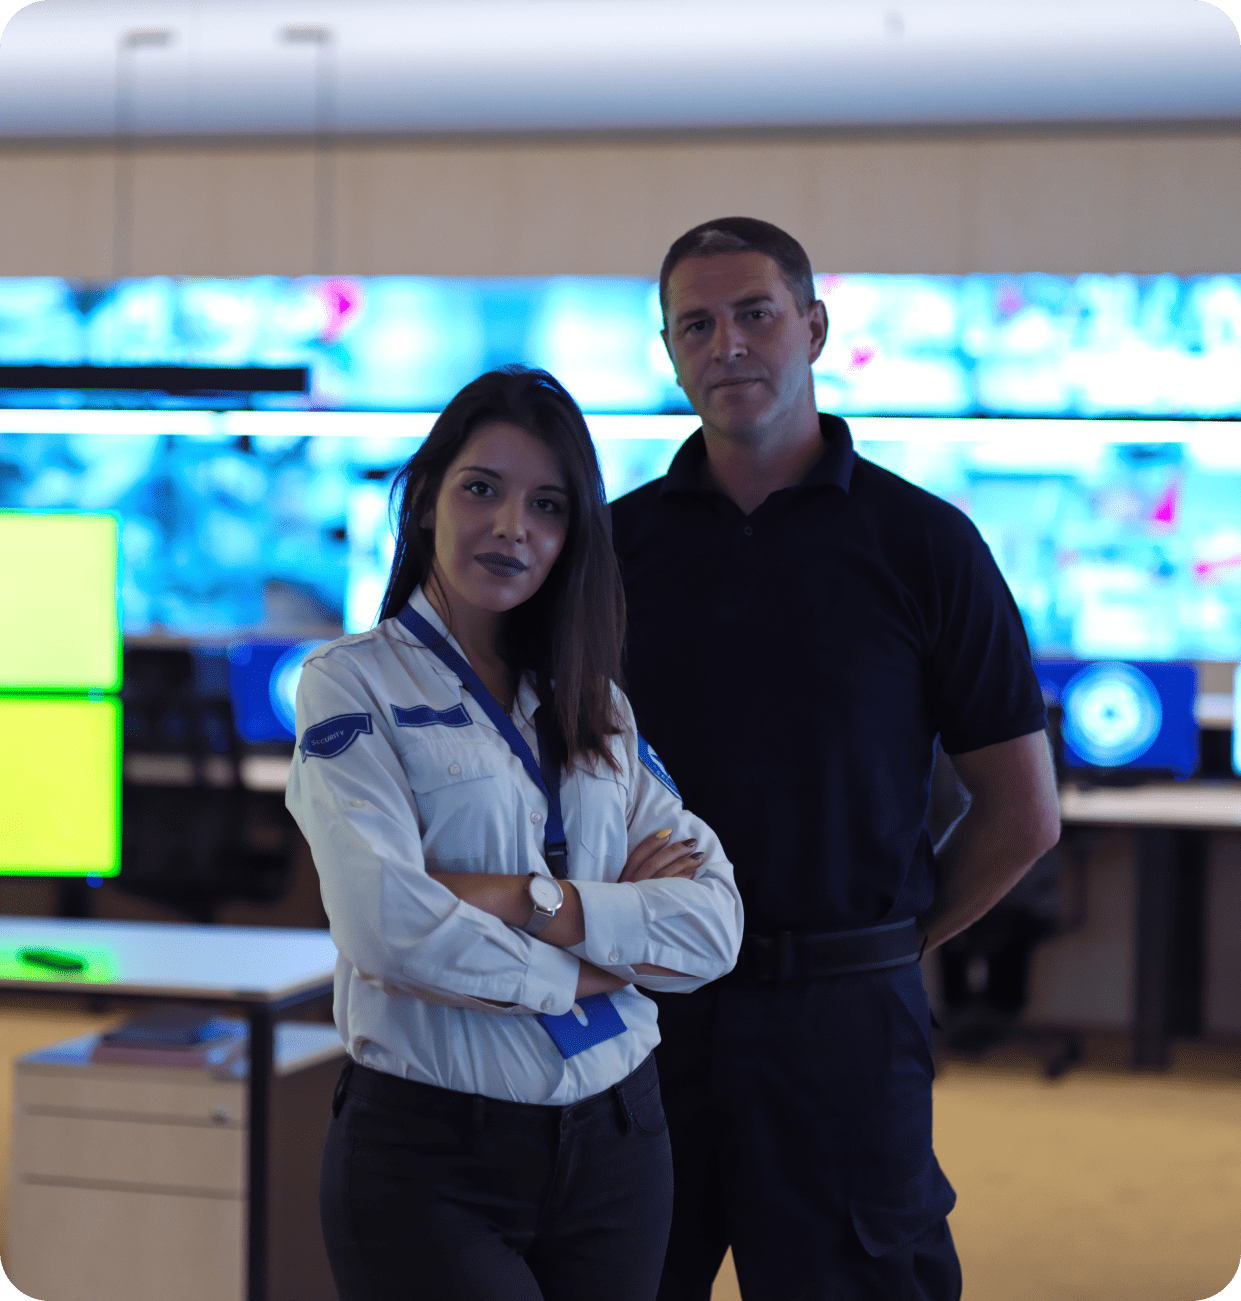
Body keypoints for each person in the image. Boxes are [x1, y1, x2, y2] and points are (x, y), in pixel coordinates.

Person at [609, 218, 1062, 1301]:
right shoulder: (611, 550)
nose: (727, 344)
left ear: (811, 327)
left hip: (842, 1025)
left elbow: (1020, 810)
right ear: (668, 354)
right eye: (696, 324)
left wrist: (893, 942)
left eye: (755, 314)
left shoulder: (923, 543)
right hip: (643, 1010)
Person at [286, 366, 744, 1301]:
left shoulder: (595, 705)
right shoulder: (351, 684)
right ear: (424, 503)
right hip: (433, 1153)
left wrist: (529, 902)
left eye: (547, 505)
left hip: (620, 1141)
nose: (511, 527)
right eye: (481, 489)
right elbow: (382, 920)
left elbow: (711, 924)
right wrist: (590, 962)